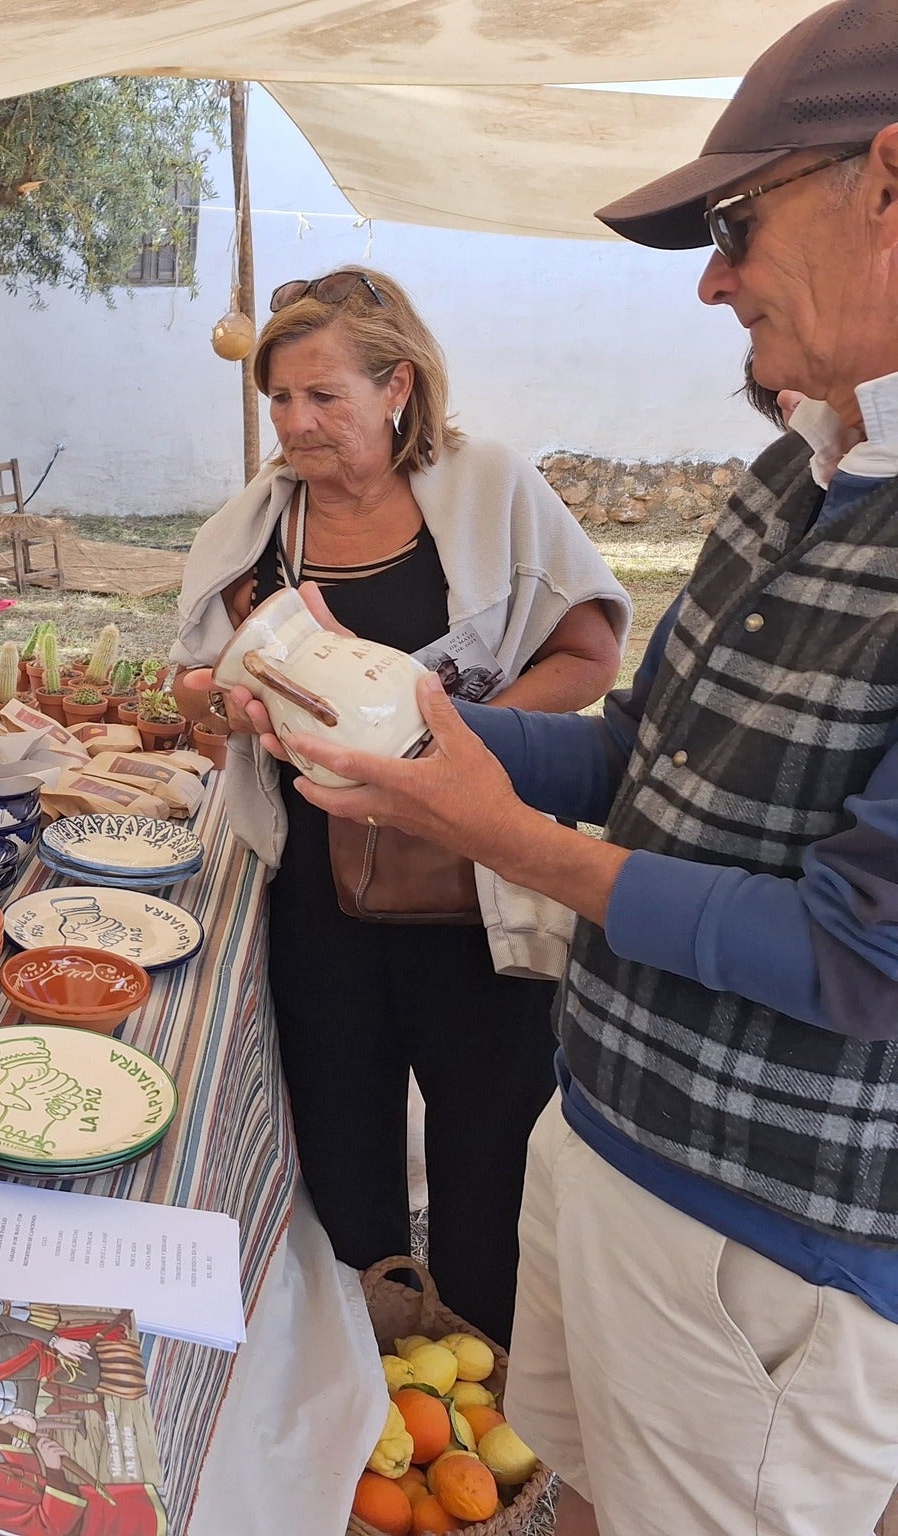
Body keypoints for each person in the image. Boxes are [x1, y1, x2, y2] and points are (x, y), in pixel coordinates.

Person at [230, 7, 898, 1528]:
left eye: (737, 220)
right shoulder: (799, 475)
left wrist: (503, 838)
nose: (715, 278)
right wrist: (420, 730)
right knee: (567, 1497)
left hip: (769, 1243)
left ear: (888, 186)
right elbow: (635, 750)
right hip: (605, 1140)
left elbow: (869, 958)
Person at [172, 266, 629, 1344]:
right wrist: (217, 701)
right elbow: (195, 690)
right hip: (319, 894)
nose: (294, 424)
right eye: (278, 400)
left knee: (487, 1145)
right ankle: (362, 1362)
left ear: (398, 388)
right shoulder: (258, 532)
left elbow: (590, 653)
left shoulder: (492, 493)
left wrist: (454, 754)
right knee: (339, 1145)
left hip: (473, 882)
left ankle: (489, 1366)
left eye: (321, 396)